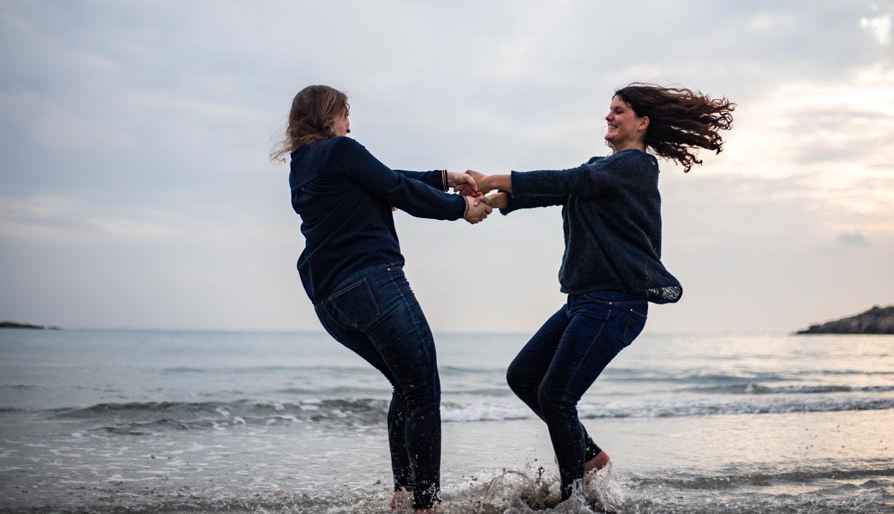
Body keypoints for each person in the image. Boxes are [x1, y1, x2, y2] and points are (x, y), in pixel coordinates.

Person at [466, 83, 734, 504]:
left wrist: (497, 178)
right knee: (523, 377)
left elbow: (573, 180)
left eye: (619, 111)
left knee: (556, 397)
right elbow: (562, 189)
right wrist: (497, 200)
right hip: (584, 302)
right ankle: (591, 459)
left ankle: (572, 498)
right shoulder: (603, 169)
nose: (608, 116)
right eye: (608, 110)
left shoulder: (634, 167)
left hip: (616, 303)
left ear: (642, 123)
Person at [272, 85, 491, 512]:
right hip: (372, 282)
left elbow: (383, 181)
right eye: (345, 115)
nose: (349, 125)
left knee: (405, 387)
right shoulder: (341, 150)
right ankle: (425, 504)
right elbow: (395, 189)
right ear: (327, 117)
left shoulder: (303, 166)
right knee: (423, 390)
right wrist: (461, 208)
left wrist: (445, 179)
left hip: (331, 301)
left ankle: (404, 495)